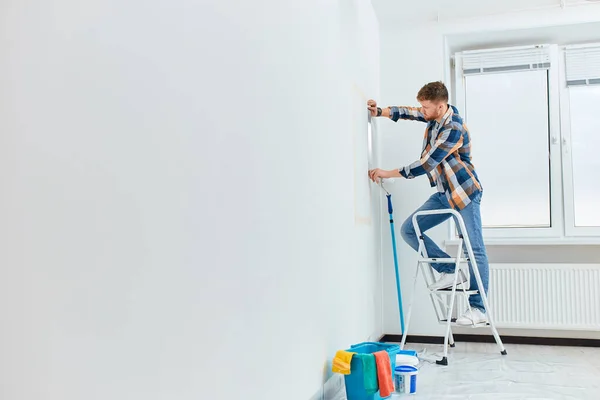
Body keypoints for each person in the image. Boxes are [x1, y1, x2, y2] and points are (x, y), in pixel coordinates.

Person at [366, 81, 489, 326]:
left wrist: (387, 173)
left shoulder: (453, 127)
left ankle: (479, 310)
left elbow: (426, 164)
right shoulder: (435, 117)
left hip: (464, 193)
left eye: (426, 107)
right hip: (445, 194)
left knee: (474, 249)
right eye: (422, 107)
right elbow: (410, 113)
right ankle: (449, 270)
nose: (422, 111)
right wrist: (380, 112)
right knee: (410, 229)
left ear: (440, 106)